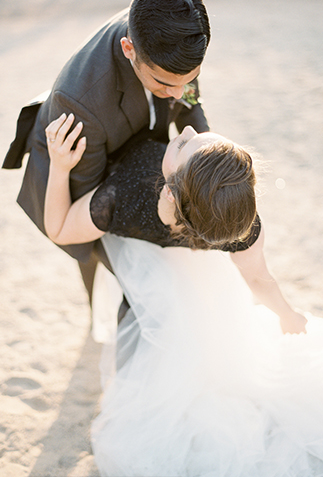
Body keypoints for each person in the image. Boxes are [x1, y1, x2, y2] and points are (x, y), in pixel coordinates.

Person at [43, 115, 323, 477]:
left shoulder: (123, 195)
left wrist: (60, 166)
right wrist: (287, 315)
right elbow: (258, 277)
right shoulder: (231, 212)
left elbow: (61, 228)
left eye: (181, 144)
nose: (187, 130)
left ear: (170, 191)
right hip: (188, 263)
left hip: (147, 256)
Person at [2, 0, 210, 307]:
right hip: (72, 156)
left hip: (132, 133)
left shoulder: (176, 33)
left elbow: (188, 102)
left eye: (189, 77)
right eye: (165, 82)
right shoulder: (81, 102)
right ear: (130, 50)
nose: (178, 93)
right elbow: (85, 205)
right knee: (116, 264)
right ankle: (97, 306)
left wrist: (205, 155)